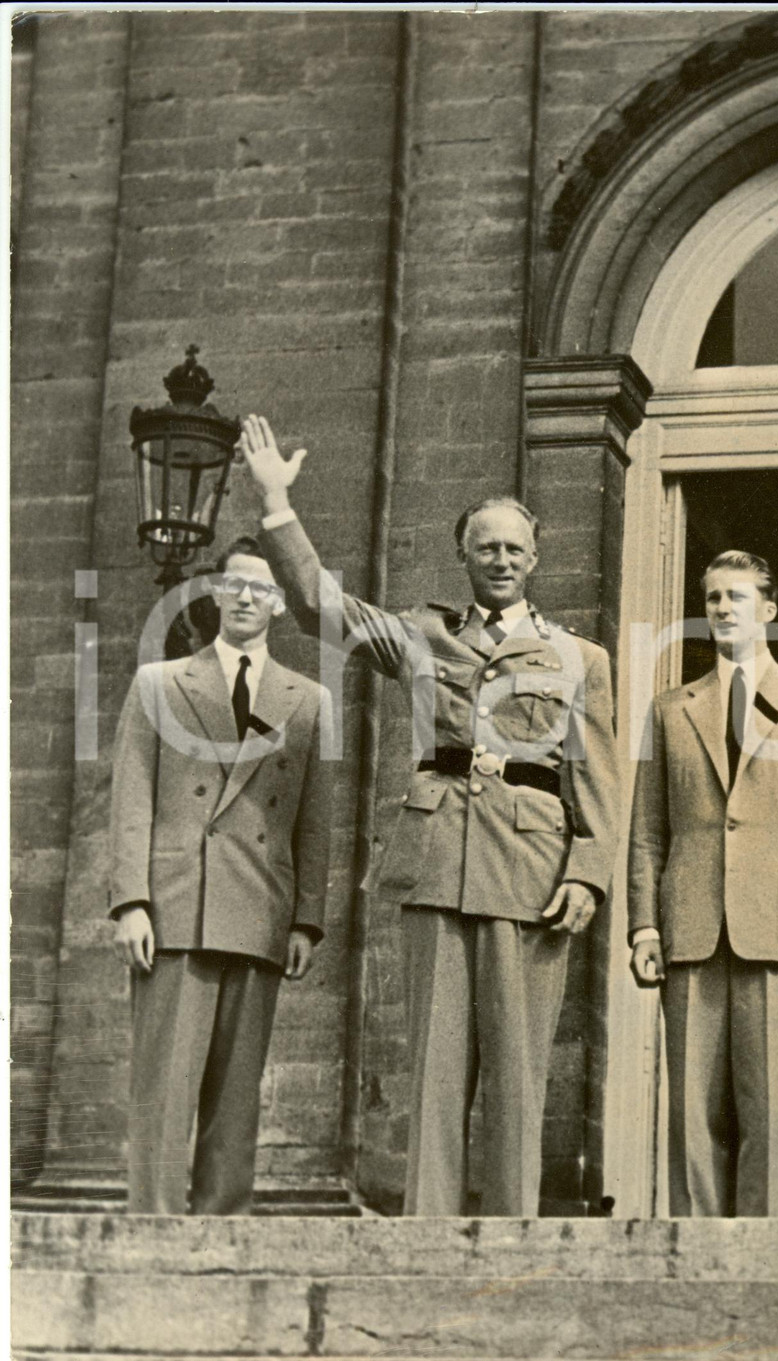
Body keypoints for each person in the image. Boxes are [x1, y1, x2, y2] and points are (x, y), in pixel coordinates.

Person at [238, 413, 619, 1216]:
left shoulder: (579, 658)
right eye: (487, 546)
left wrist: (588, 873)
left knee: (519, 1070)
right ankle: (428, 1233)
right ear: (465, 555)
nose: (502, 559)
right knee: (437, 1066)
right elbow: (319, 606)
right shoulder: (422, 635)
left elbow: (597, 777)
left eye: (515, 547)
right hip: (439, 857)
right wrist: (277, 501)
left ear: (537, 558)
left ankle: (512, 1238)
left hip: (532, 870)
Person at [628, 550, 778, 1217]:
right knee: (690, 1112)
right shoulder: (670, 709)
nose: (723, 607)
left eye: (737, 595)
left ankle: (762, 1250)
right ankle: (694, 1249)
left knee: (767, 1111)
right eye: (713, 598)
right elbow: (647, 831)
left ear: (769, 609)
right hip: (691, 925)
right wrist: (645, 922)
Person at [109, 535, 333, 1214]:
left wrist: (306, 920)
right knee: (164, 1088)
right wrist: (131, 902)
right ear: (213, 592)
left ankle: (219, 1234)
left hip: (260, 909)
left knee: (236, 1097)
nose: (245, 597)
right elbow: (132, 794)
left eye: (261, 588)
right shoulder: (160, 682)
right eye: (234, 583)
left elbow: (316, 820)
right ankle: (150, 1227)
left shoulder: (308, 699)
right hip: (176, 906)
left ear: (279, 603)